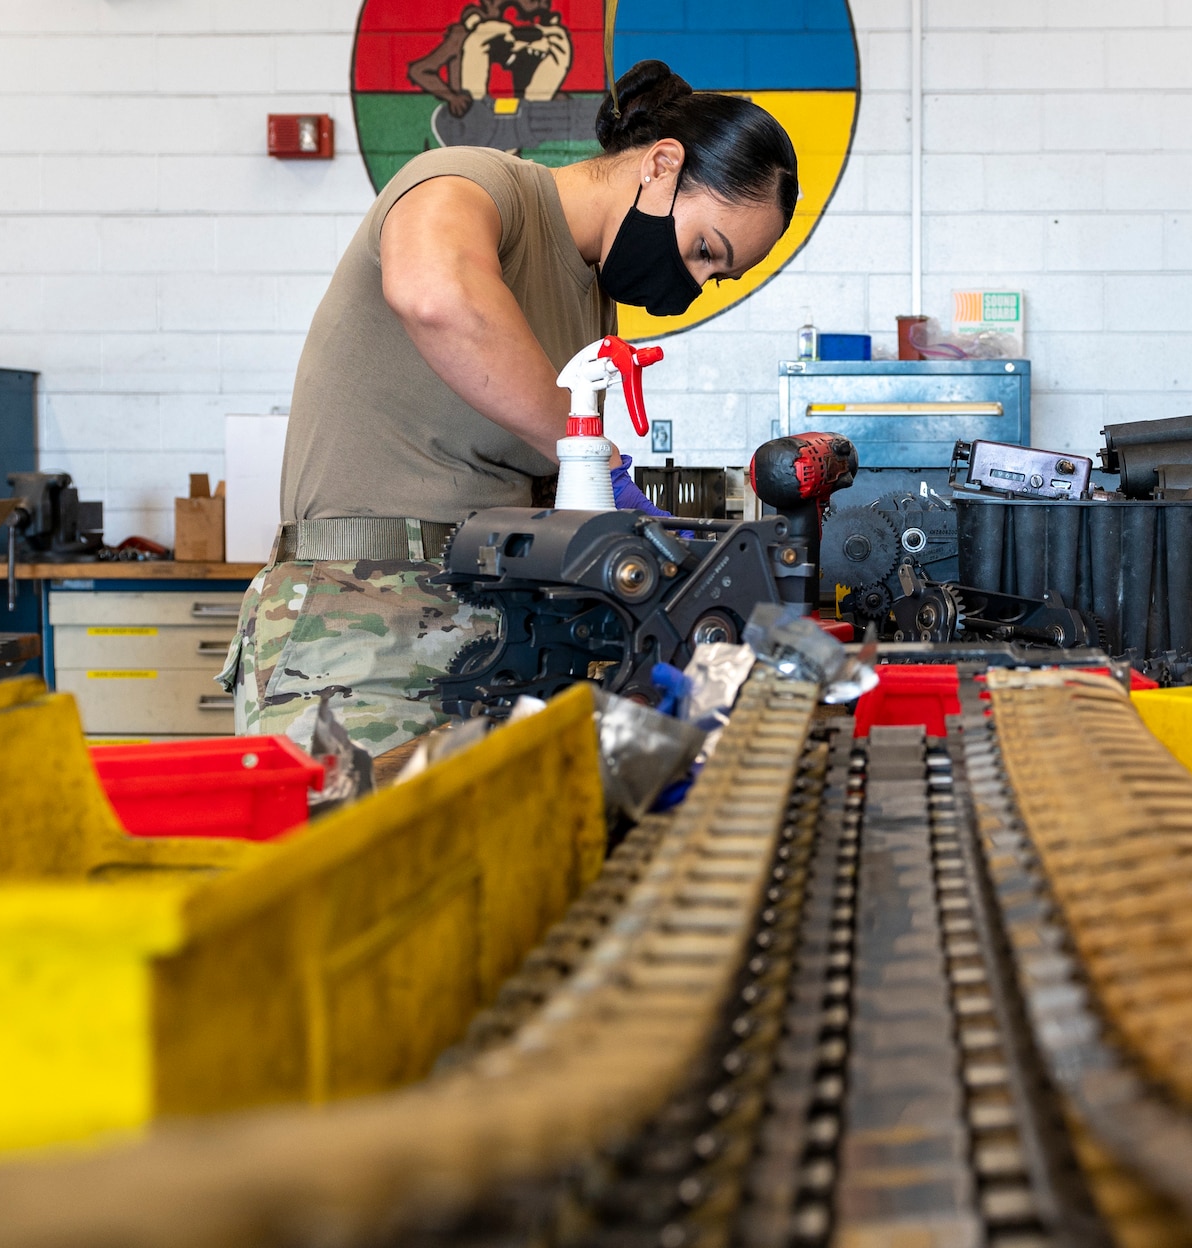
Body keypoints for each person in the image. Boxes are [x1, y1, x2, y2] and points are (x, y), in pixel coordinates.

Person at [219, 60, 798, 755]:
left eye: (718, 275)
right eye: (705, 249)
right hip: (360, 637)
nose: (696, 281)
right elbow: (435, 293)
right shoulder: (476, 183)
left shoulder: (592, 297)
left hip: (484, 641)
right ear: (662, 166)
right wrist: (588, 448)